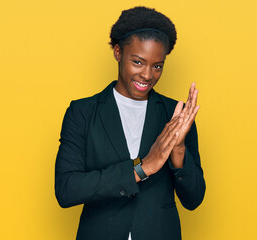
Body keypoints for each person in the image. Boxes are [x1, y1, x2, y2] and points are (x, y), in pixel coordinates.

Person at [55, 6, 206, 240]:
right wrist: (142, 167)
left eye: (157, 66)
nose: (147, 75)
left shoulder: (176, 115)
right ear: (118, 52)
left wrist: (178, 151)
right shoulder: (83, 112)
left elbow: (194, 200)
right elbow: (66, 189)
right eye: (138, 62)